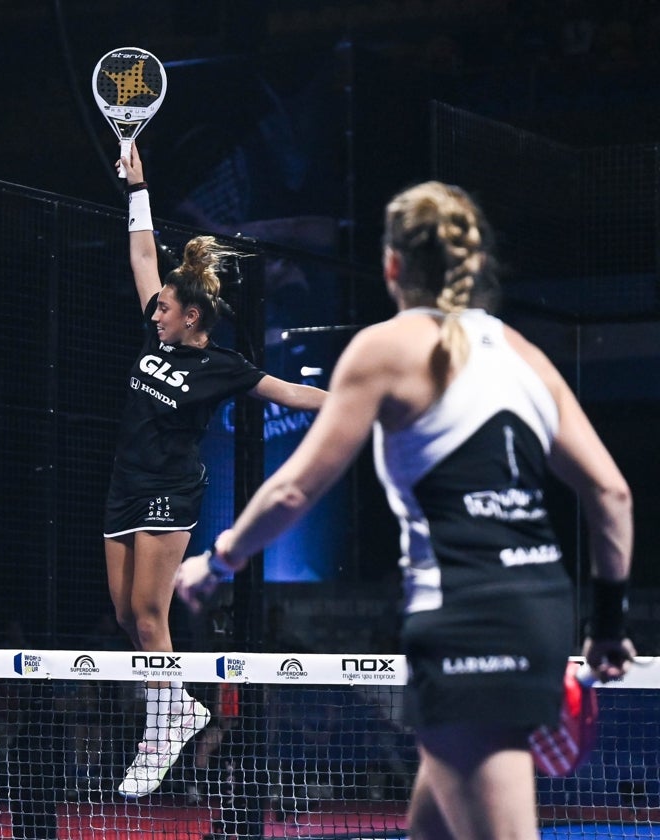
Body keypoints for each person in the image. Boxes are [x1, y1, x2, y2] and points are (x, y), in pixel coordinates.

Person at [175, 181, 635, 838]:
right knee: (435, 822)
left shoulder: (385, 347)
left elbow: (294, 490)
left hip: (465, 615)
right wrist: (610, 624)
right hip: (541, 611)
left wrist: (218, 564)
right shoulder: (523, 353)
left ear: (393, 266)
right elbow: (612, 494)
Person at [109, 143, 327, 799]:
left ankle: (166, 723)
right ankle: (176, 707)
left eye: (167, 309)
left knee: (151, 614)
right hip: (124, 484)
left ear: (194, 316)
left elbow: (290, 394)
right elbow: (145, 256)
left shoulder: (223, 365)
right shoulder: (156, 336)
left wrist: (363, 403)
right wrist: (138, 187)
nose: (157, 313)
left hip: (170, 491)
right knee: (126, 614)